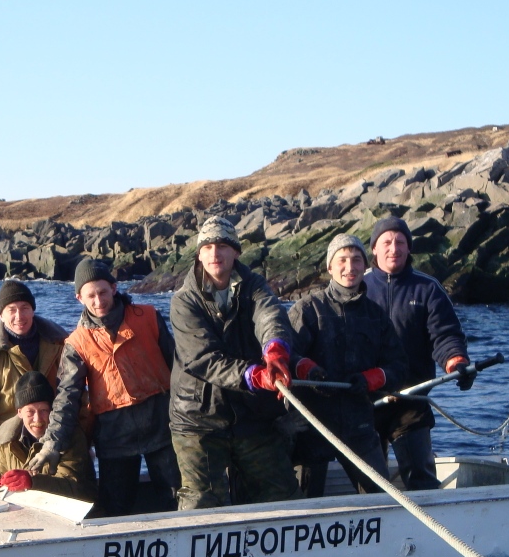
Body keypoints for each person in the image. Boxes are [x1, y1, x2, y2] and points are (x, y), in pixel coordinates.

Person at [27, 258, 178, 516]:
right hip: (114, 436)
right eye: (91, 296)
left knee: (176, 496)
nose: (98, 301)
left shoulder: (149, 317)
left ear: (114, 288)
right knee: (115, 507)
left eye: (103, 292)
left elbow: (179, 369)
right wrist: (51, 445)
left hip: (162, 426)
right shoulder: (76, 343)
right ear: (79, 298)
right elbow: (67, 398)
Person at [169, 215, 301, 509]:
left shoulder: (254, 285)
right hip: (197, 418)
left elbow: (270, 315)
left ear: (236, 252)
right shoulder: (184, 300)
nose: (215, 253)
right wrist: (254, 376)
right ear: (199, 254)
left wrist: (275, 349)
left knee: (281, 493)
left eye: (223, 246)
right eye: (208, 247)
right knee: (200, 502)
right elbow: (202, 358)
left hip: (252, 414)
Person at [288, 234, 407, 497]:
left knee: (381, 497)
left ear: (364, 266)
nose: (349, 267)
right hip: (311, 424)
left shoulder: (375, 315)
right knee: (304, 503)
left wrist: (371, 379)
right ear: (330, 267)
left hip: (359, 424)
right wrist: (309, 370)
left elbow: (398, 367)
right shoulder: (307, 309)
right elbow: (285, 355)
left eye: (356, 260)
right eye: (342, 260)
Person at [363, 216, 473, 490]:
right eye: (386, 242)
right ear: (374, 249)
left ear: (409, 248)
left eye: (400, 242)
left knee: (421, 479)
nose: (394, 248)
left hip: (411, 398)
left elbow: (444, 334)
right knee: (368, 483)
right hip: (365, 400)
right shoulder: (357, 288)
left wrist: (456, 360)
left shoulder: (428, 288)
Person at [0, 371, 95, 500]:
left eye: (43, 411)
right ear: (19, 412)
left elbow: (75, 487)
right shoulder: (9, 439)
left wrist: (32, 482)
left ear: (53, 411)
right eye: (30, 412)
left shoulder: (69, 437)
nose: (37, 419)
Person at [0, 280, 68, 468]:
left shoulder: (61, 345)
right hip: (10, 453)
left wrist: (82, 444)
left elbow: (78, 398)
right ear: (1, 315)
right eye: (11, 309)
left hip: (57, 445)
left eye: (24, 308)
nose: (19, 316)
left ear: (33, 310)